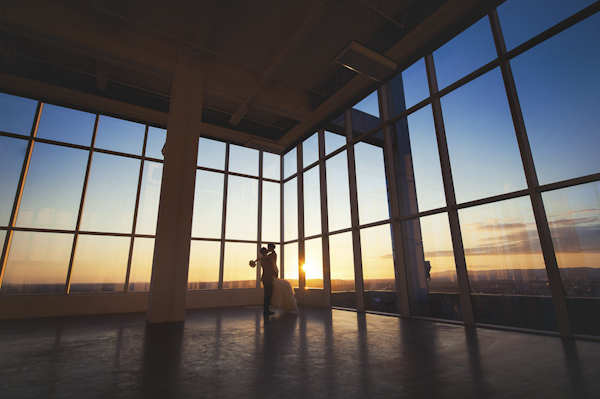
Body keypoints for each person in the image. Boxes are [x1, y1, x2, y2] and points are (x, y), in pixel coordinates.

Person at [267, 244, 298, 313]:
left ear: (272, 248)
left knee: (275, 286)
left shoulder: (273, 254)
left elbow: (265, 257)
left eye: (269, 247)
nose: (268, 248)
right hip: (273, 270)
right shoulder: (271, 254)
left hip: (273, 270)